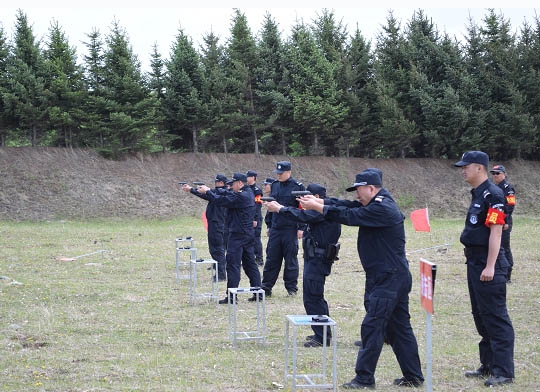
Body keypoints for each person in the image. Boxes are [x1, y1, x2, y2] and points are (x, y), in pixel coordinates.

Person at [300, 169, 424, 389]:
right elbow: (347, 206)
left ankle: (364, 379)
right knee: (399, 328)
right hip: (387, 276)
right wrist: (321, 201)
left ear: (371, 188)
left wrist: (318, 207)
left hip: (389, 277)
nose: (357, 194)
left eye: (359, 189)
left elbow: (350, 216)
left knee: (372, 327)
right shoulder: (374, 203)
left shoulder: (382, 208)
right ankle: (413, 376)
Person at [455, 151, 514, 387]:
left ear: (479, 168)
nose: (462, 170)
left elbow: (496, 232)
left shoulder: (494, 194)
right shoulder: (478, 193)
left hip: (488, 263)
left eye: (466, 166)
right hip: (475, 261)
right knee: (480, 315)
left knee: (495, 317)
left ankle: (504, 372)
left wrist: (490, 265)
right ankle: (488, 365)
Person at [265, 184, 341, 347]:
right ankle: (320, 331)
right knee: (311, 296)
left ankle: (322, 337)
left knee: (313, 296)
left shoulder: (321, 210)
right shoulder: (323, 209)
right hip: (315, 257)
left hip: (318, 259)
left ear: (317, 197)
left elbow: (302, 216)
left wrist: (280, 208)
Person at [198, 173, 262, 304]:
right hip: (246, 234)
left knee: (233, 265)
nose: (231, 187)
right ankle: (258, 292)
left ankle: (232, 296)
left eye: (233, 184)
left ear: (240, 183)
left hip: (238, 235)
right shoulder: (247, 192)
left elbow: (222, 201)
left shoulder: (242, 195)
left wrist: (208, 192)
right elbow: (226, 195)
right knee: (250, 264)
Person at [261, 161, 306, 297]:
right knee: (271, 259)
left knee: (290, 259)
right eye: (277, 173)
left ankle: (291, 288)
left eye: (281, 173)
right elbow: (271, 205)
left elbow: (302, 208)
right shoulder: (274, 185)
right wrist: (269, 224)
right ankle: (266, 287)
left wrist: (301, 227)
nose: (279, 175)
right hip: (276, 228)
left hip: (290, 228)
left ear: (289, 172)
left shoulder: (297, 186)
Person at [182, 174, 227, 281]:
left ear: (222, 183)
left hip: (217, 224)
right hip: (214, 223)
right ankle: (219, 271)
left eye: (217, 182)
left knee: (217, 249)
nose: (215, 184)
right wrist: (191, 190)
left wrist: (193, 190)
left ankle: (221, 275)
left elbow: (207, 194)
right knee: (214, 249)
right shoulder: (218, 192)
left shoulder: (222, 193)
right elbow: (205, 195)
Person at [489, 164, 516, 282]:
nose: (495, 175)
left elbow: (510, 207)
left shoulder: (508, 189)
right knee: (496, 246)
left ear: (504, 174)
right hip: (496, 221)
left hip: (504, 222)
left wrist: (505, 222)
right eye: (493, 173)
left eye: (498, 173)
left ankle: (507, 274)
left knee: (504, 247)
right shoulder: (494, 188)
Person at [246, 170, 264, 266]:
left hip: (255, 218)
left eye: (248, 177)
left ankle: (259, 259)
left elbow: (258, 205)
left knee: (256, 238)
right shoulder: (247, 188)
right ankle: (250, 258)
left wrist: (255, 219)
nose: (246, 178)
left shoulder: (257, 190)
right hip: (248, 217)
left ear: (253, 177)